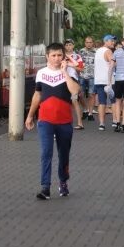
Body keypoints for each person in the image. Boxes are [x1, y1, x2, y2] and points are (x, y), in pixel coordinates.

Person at [25, 42, 81, 200]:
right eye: (53, 56)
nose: (57, 59)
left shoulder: (69, 71)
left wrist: (65, 72)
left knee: (63, 154)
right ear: (47, 57)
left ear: (63, 56)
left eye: (59, 55)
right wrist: (30, 116)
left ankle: (63, 181)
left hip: (64, 121)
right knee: (46, 153)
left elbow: (75, 91)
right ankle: (45, 187)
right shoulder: (41, 73)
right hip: (45, 120)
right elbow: (37, 95)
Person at [93, 35, 116, 131]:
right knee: (113, 101)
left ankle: (101, 124)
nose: (113, 42)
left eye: (113, 41)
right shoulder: (108, 51)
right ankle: (115, 120)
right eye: (111, 41)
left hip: (98, 80)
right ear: (105, 41)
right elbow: (112, 63)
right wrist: (110, 79)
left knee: (101, 102)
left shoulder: (98, 51)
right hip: (108, 81)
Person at [64, 39, 86, 130]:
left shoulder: (77, 56)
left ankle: (80, 123)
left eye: (70, 45)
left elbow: (81, 69)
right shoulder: (61, 55)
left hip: (73, 79)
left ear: (73, 46)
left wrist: (71, 65)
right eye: (67, 45)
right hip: (63, 79)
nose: (68, 47)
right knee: (64, 101)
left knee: (74, 100)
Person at [77, 36, 97, 121]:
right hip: (82, 75)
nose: (89, 44)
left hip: (92, 76)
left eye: (90, 42)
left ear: (93, 43)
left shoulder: (97, 52)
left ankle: (90, 113)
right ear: (85, 43)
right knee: (80, 94)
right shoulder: (80, 52)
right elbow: (77, 64)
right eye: (87, 42)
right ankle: (85, 109)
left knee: (91, 94)